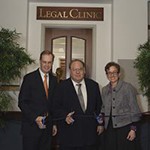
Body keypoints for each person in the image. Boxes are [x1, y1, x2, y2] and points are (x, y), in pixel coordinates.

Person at [52, 59, 103, 150]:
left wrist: (100, 124)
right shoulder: (61, 87)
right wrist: (64, 116)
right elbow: (55, 107)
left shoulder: (93, 85)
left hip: (90, 137)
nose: (77, 72)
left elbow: (99, 106)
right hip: (69, 136)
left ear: (84, 71)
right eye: (74, 69)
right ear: (70, 71)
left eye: (80, 69)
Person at [18, 50, 58, 150]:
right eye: (44, 62)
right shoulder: (29, 78)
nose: (47, 65)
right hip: (31, 127)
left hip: (48, 128)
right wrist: (35, 118)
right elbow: (22, 102)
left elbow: (54, 104)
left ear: (52, 63)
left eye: (49, 62)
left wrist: (54, 124)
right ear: (40, 61)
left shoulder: (54, 80)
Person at [100, 62, 141, 150]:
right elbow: (103, 109)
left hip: (125, 128)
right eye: (109, 73)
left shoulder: (128, 87)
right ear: (106, 75)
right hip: (109, 129)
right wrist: (100, 124)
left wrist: (133, 130)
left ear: (119, 74)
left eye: (114, 72)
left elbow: (135, 110)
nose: (112, 75)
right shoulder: (104, 90)